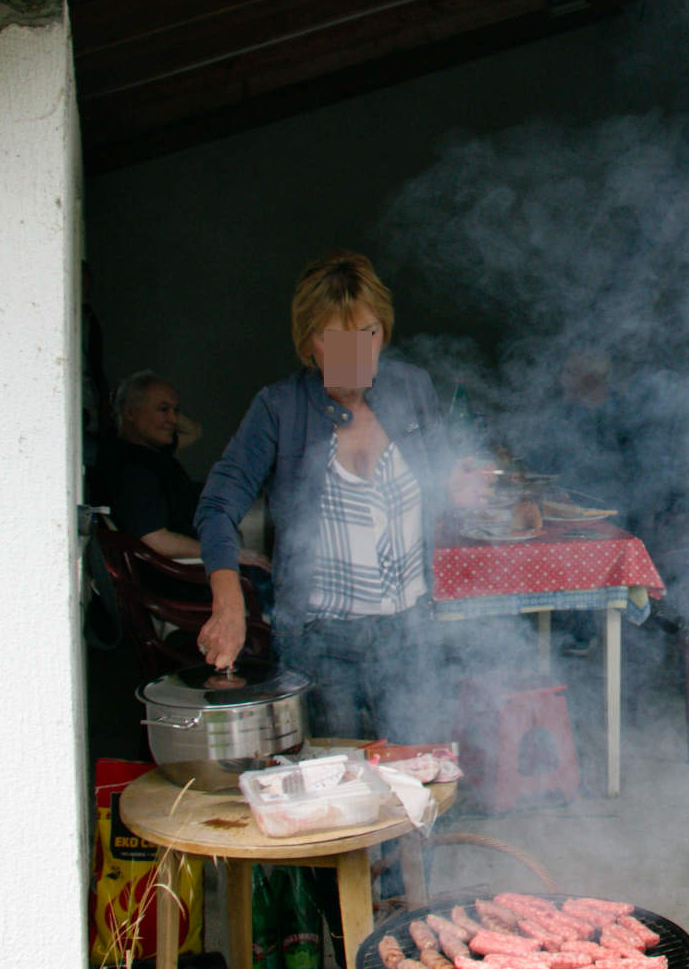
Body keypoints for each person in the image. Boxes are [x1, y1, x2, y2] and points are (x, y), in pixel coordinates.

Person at [194, 250, 494, 742]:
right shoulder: (280, 408)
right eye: (336, 339)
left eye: (368, 335)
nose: (356, 354)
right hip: (320, 642)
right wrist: (229, 603)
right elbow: (217, 506)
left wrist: (455, 486)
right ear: (308, 342)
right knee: (336, 789)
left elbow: (436, 480)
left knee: (417, 785)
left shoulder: (412, 388)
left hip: (409, 633)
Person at [92, 370, 224, 561]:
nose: (173, 420)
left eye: (175, 411)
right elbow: (156, 540)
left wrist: (163, 408)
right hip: (182, 575)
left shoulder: (151, 448)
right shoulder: (130, 467)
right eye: (163, 410)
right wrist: (228, 554)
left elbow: (193, 431)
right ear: (130, 413)